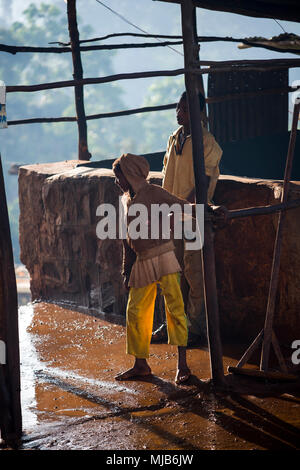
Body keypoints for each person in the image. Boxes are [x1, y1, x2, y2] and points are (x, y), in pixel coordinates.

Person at [112, 152, 195, 384]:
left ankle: (183, 365)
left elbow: (184, 207)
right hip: (142, 260)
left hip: (164, 256)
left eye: (119, 177)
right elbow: (125, 236)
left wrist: (209, 210)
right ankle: (141, 365)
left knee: (175, 309)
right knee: (135, 312)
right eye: (115, 178)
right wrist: (126, 267)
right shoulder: (125, 200)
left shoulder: (154, 192)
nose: (117, 182)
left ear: (131, 174)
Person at [152, 90, 223, 346]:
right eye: (178, 107)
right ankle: (172, 324)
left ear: (198, 113)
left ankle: (194, 329)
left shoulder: (207, 143)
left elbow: (202, 185)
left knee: (195, 275)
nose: (178, 112)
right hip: (172, 216)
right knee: (172, 273)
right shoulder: (174, 139)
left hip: (193, 218)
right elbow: (165, 176)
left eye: (183, 109)